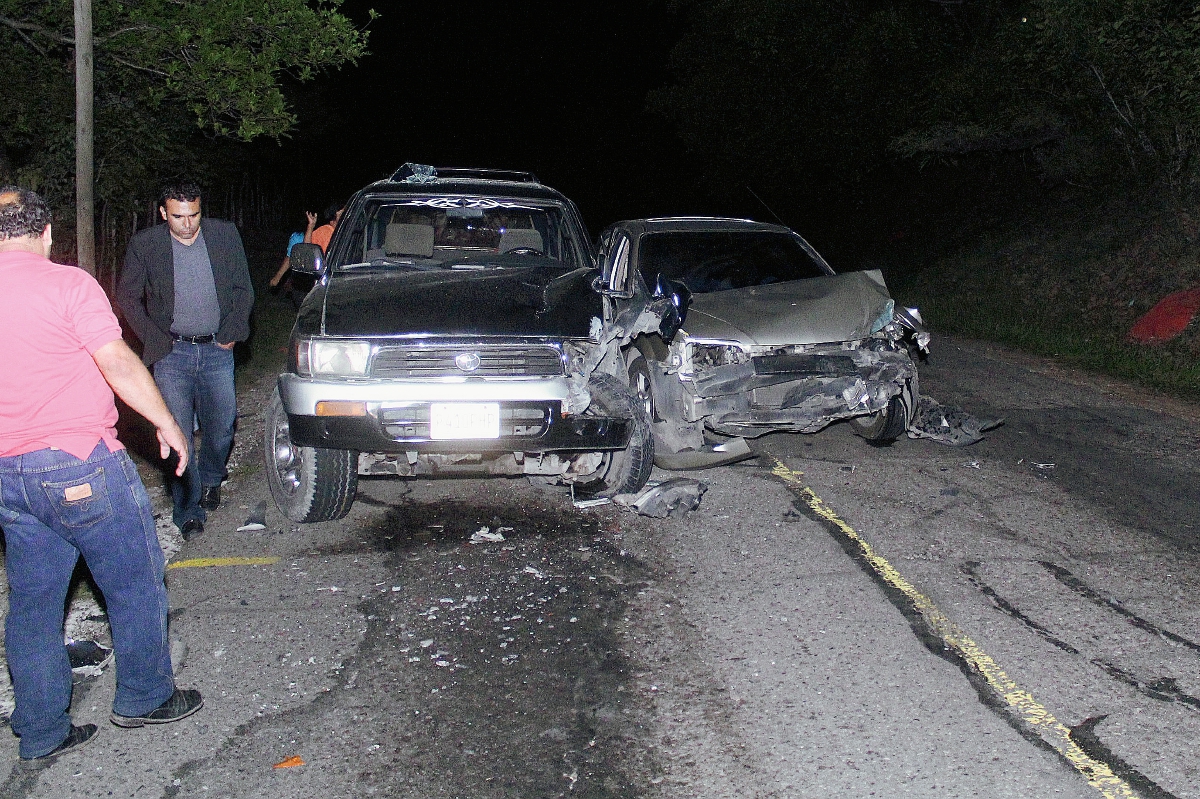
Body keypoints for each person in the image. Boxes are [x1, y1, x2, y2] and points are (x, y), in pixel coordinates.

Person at [0, 187, 204, 768]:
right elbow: (115, 359)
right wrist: (166, 421)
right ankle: (145, 695)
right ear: (45, 234)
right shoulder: (68, 284)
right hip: (78, 462)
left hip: (9, 476)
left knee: (34, 606)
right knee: (134, 582)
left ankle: (40, 729)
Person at [117, 181, 254, 540]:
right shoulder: (146, 244)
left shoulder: (223, 235)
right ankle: (188, 510)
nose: (188, 224)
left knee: (222, 426)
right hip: (172, 353)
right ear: (164, 213)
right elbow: (128, 298)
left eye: (193, 214)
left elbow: (244, 289)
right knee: (176, 432)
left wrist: (233, 330)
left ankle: (211, 478)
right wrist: (154, 339)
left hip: (216, 350)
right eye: (179, 217)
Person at [269, 211, 318, 308]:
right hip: (303, 280)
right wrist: (277, 278)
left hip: (313, 280)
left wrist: (277, 278)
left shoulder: (320, 234)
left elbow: (295, 255)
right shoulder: (297, 236)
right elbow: (291, 256)